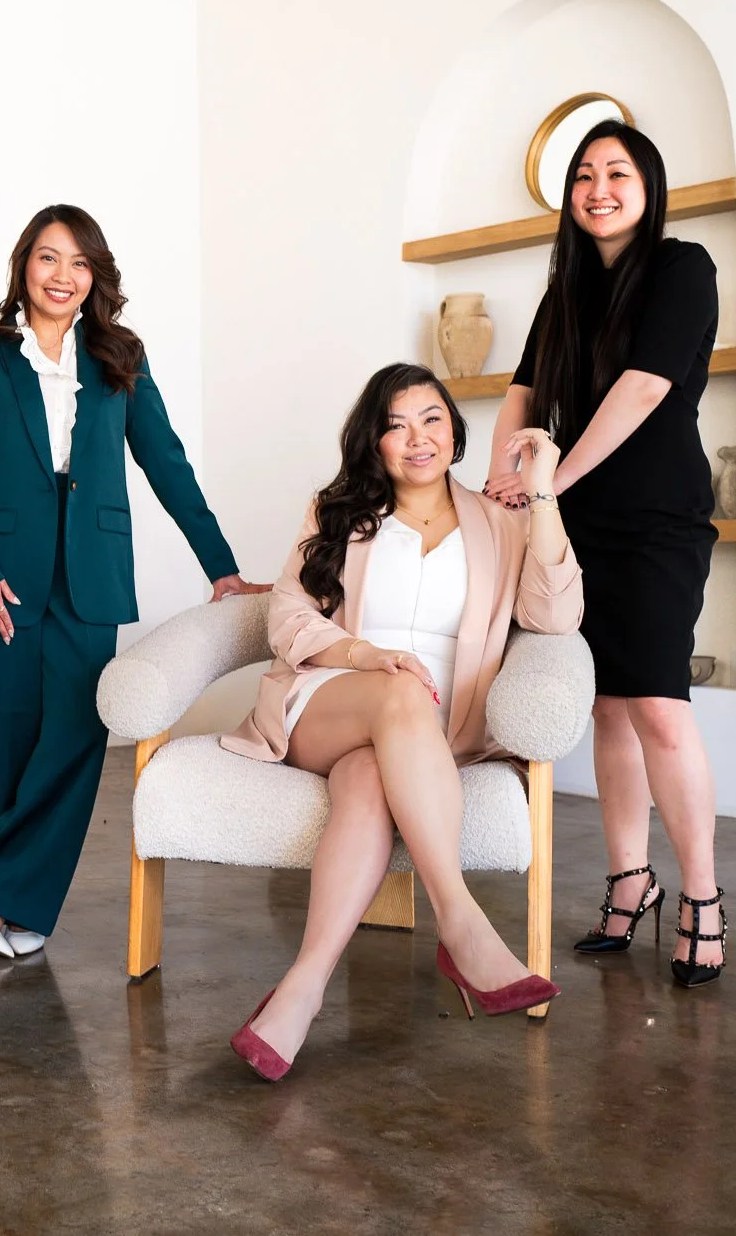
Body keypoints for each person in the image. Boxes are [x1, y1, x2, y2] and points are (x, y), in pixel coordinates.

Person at [219, 363, 583, 1080]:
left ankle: (301, 990)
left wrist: (542, 492)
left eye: (431, 419)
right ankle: (461, 921)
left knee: (366, 781)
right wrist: (365, 654)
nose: (417, 438)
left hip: (429, 735)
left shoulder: (500, 523)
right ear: (374, 441)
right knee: (401, 692)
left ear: (455, 430)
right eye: (395, 425)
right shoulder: (338, 511)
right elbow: (287, 614)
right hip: (329, 698)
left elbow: (555, 615)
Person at [0, 205, 267, 958]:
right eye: (48, 258)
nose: (63, 276)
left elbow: (166, 462)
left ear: (95, 276)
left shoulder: (119, 355)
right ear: (24, 265)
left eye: (79, 263)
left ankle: (1, 888)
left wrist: (221, 567)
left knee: (78, 733)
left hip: (89, 570)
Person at [484, 120, 729, 988]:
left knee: (658, 704)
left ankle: (702, 896)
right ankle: (631, 880)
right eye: (584, 175)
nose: (599, 189)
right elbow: (523, 390)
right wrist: (501, 475)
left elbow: (645, 388)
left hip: (656, 519)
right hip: (575, 523)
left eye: (617, 173)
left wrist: (550, 479)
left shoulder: (682, 267)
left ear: (648, 187)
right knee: (607, 708)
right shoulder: (567, 291)